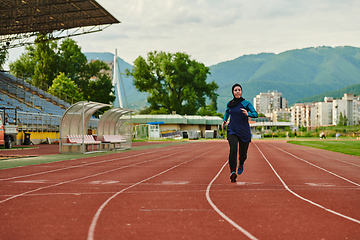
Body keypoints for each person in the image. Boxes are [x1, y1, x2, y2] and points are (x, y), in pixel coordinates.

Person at [222, 83, 258, 183]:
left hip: (244, 131)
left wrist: (248, 113)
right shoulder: (230, 104)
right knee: (233, 149)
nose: (237, 91)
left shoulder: (246, 103)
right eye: (235, 90)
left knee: (243, 154)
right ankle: (233, 172)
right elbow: (227, 111)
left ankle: (241, 162)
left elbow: (256, 114)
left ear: (241, 92)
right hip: (232, 130)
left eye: (239, 90)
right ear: (233, 92)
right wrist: (224, 120)